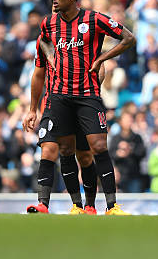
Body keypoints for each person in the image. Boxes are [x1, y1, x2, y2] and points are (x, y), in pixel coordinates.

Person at [24, 0, 136, 215]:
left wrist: (102, 58)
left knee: (97, 147)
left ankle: (111, 206)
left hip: (88, 95)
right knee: (65, 150)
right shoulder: (49, 23)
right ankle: (76, 205)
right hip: (59, 96)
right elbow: (43, 41)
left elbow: (129, 38)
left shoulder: (94, 19)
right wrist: (51, 55)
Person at [26, 27, 102, 215]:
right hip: (53, 105)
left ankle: (90, 205)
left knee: (84, 157)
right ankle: (46, 203)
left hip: (81, 105)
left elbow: (101, 69)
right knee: (50, 149)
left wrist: (89, 92)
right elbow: (38, 74)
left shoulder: (82, 36)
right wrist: (32, 109)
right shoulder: (44, 41)